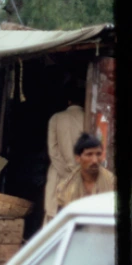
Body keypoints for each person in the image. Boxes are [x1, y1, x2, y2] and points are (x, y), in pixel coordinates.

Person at [44, 79, 87, 224]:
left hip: (58, 172)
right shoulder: (89, 120)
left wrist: (65, 172)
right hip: (81, 173)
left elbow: (53, 150)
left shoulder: (56, 118)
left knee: (53, 215)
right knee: (78, 216)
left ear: (68, 101)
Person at [53, 132, 115, 216]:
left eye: (98, 154)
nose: (95, 160)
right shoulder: (65, 188)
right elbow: (62, 221)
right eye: (89, 154)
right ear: (78, 158)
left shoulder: (112, 183)